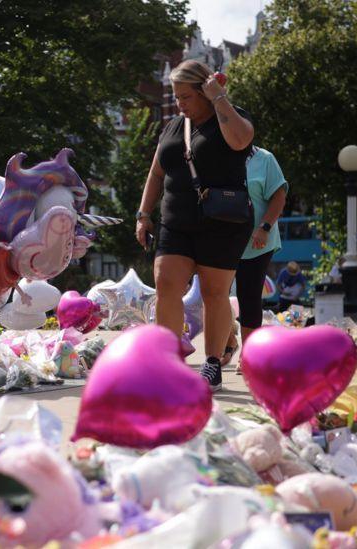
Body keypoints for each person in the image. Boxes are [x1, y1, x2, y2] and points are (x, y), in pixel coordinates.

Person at [134, 59, 255, 391]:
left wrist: (218, 98)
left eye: (185, 96)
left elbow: (242, 140)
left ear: (204, 90)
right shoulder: (175, 126)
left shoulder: (230, 116)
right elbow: (156, 173)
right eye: (176, 96)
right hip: (176, 222)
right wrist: (143, 214)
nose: (179, 103)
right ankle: (169, 359)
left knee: (215, 293)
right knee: (166, 283)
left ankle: (213, 362)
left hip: (222, 222)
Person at [228, 146, 287, 355]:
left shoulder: (264, 159)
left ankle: (250, 355)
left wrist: (264, 227)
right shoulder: (214, 153)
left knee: (249, 297)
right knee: (213, 295)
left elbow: (279, 196)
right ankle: (227, 344)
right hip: (222, 239)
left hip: (257, 242)